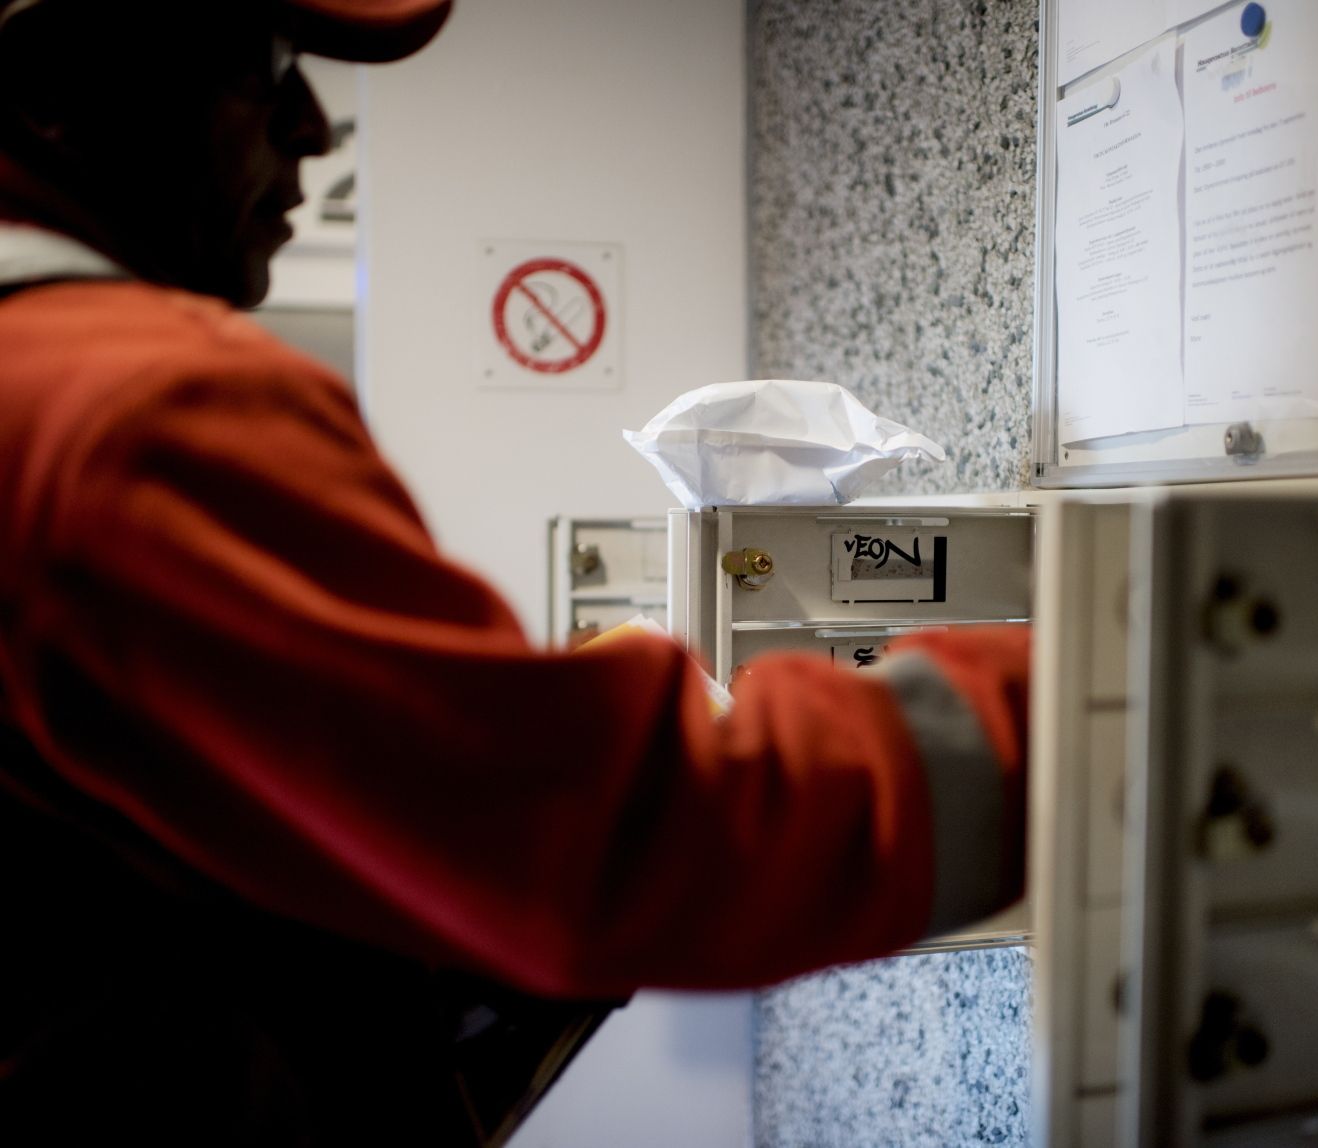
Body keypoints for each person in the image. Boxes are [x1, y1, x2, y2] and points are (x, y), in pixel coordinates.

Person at [0, 0, 1031, 1144]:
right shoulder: (123, 418)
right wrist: (1082, 689)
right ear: (49, 82)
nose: (311, 127)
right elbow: (626, 845)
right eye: (261, 65)